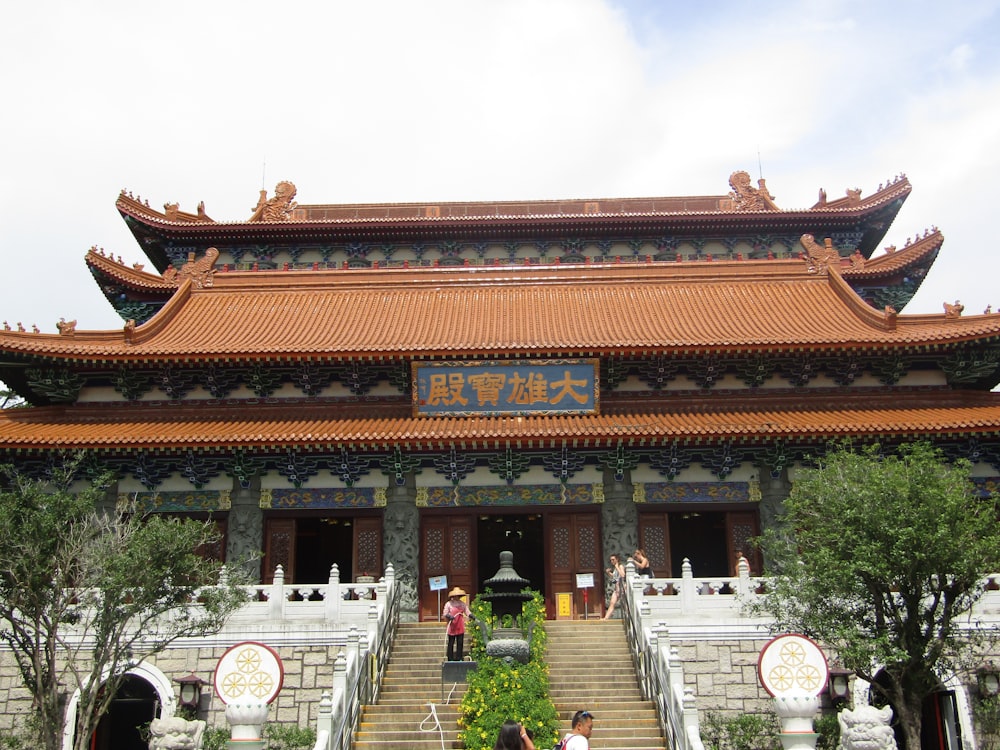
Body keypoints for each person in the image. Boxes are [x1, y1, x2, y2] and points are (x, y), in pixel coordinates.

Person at [443, 586, 470, 661]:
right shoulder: (448, 604)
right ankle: (450, 658)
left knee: (460, 642)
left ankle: (459, 657)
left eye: (458, 596)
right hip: (452, 625)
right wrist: (449, 616)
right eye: (455, 596)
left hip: (460, 625)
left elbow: (467, 611)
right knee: (451, 642)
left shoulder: (462, 604)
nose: (456, 597)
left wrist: (472, 616)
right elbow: (445, 613)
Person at [602, 554, 626, 620]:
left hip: (622, 588)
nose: (612, 561)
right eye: (611, 560)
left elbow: (623, 575)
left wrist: (617, 567)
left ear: (617, 559)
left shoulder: (620, 566)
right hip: (616, 588)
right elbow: (615, 577)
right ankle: (606, 618)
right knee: (612, 603)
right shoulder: (615, 568)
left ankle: (627, 617)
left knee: (625, 604)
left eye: (613, 560)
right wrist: (609, 573)